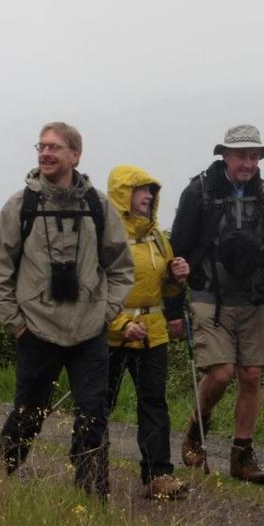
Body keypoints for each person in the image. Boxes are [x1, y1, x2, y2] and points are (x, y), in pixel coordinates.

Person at [0, 121, 134, 498]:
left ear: (75, 156)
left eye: (54, 147)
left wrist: (106, 312)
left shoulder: (98, 205)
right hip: (36, 330)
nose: (45, 153)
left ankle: (91, 500)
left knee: (93, 416)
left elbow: (120, 266)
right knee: (27, 414)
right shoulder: (21, 204)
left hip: (90, 331)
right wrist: (16, 324)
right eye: (42, 146)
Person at [169, 124, 264, 485]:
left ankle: (242, 456)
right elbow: (177, 249)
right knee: (222, 372)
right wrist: (171, 309)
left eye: (254, 155)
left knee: (252, 374)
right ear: (225, 155)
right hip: (209, 295)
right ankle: (198, 428)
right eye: (241, 155)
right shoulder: (199, 191)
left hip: (255, 297)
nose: (248, 162)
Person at [105, 165, 191, 500]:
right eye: (142, 190)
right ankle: (87, 468)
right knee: (99, 405)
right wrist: (121, 325)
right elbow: (93, 289)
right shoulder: (105, 237)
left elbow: (165, 291)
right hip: (112, 335)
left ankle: (158, 476)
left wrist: (176, 277)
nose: (149, 197)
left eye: (152, 191)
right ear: (123, 194)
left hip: (152, 334)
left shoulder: (157, 236)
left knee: (154, 403)